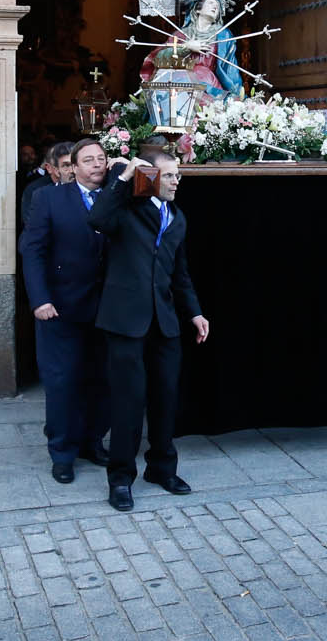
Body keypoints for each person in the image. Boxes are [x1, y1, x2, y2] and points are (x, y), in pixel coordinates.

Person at [89, 147, 211, 511]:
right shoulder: (127, 209)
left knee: (165, 398)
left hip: (165, 322)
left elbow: (179, 272)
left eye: (178, 175)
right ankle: (120, 479)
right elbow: (97, 218)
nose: (177, 181)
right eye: (170, 175)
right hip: (125, 321)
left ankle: (161, 468)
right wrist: (126, 176)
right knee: (128, 402)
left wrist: (194, 313)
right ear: (152, 177)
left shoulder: (177, 217)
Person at [19, 136, 112, 483]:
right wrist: (40, 299)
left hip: (106, 308)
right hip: (60, 307)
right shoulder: (49, 198)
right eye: (88, 160)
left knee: (101, 379)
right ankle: (62, 452)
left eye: (101, 158)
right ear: (72, 168)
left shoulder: (116, 197)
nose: (97, 164)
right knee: (63, 383)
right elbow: (33, 250)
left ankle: (93, 441)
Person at [137, 0, 242, 100]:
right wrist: (186, 47)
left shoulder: (223, 35)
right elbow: (159, 59)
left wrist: (237, 95)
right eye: (211, 3)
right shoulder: (181, 35)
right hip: (182, 84)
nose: (215, 7)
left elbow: (230, 68)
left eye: (218, 7)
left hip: (209, 86)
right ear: (198, 9)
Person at [20, 139, 73, 227]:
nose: (72, 170)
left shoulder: (83, 186)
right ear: (49, 167)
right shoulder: (35, 190)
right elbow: (32, 225)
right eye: (66, 165)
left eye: (74, 164)